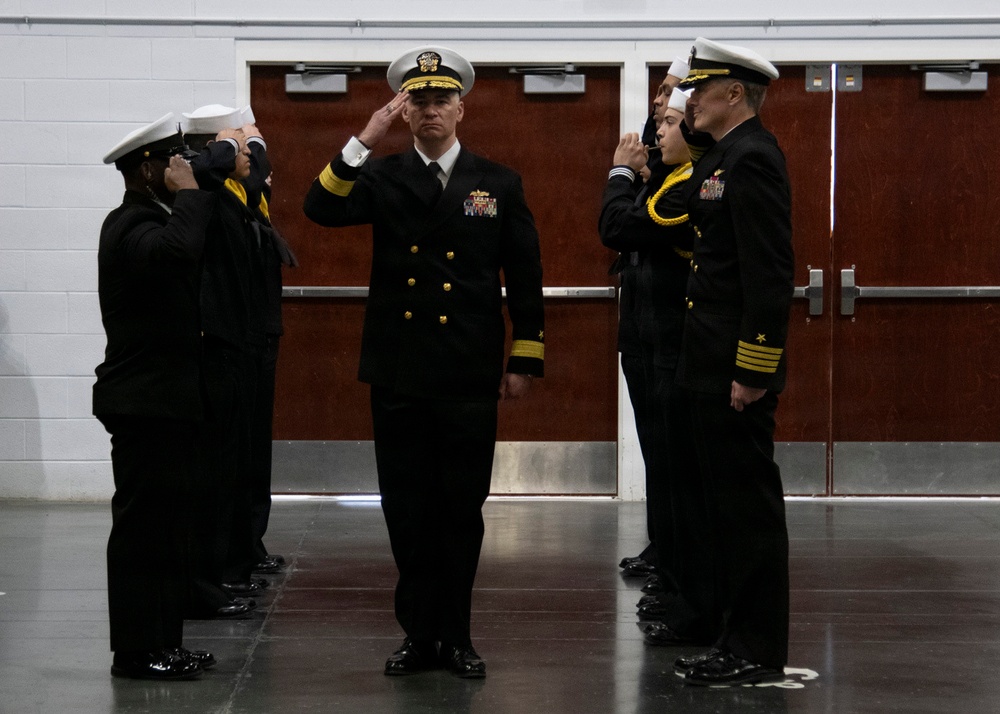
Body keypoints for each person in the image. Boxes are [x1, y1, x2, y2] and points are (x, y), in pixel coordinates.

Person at [303, 45, 545, 679]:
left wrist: (524, 355)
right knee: (407, 510)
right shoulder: (381, 175)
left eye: (441, 100)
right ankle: (418, 635)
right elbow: (319, 208)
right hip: (401, 369)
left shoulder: (498, 181)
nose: (431, 111)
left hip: (467, 370)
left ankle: (457, 636)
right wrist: (364, 136)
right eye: (419, 103)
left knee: (460, 512)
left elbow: (524, 277)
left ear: (460, 108)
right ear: (404, 113)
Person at [667, 38, 795, 686]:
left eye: (699, 88)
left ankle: (755, 647)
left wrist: (753, 369)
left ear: (734, 94)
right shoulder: (725, 156)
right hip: (708, 361)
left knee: (747, 511)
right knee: (722, 510)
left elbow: (769, 277)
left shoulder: (754, 160)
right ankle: (732, 637)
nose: (689, 98)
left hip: (732, 369)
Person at [95, 113, 217, 679]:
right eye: (175, 161)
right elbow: (176, 255)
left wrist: (196, 192)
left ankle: (162, 643)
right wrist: (191, 194)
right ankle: (138, 651)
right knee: (145, 533)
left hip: (165, 401)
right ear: (148, 168)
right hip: (145, 403)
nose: (184, 169)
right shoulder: (130, 225)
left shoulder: (152, 217)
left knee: (169, 530)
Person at [615, 57, 689, 584]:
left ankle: (676, 555)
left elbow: (618, 228)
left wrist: (624, 174)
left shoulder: (684, 179)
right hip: (641, 328)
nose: (658, 104)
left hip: (671, 330)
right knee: (652, 447)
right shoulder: (660, 173)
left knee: (673, 453)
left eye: (668, 96)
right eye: (658, 95)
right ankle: (662, 543)